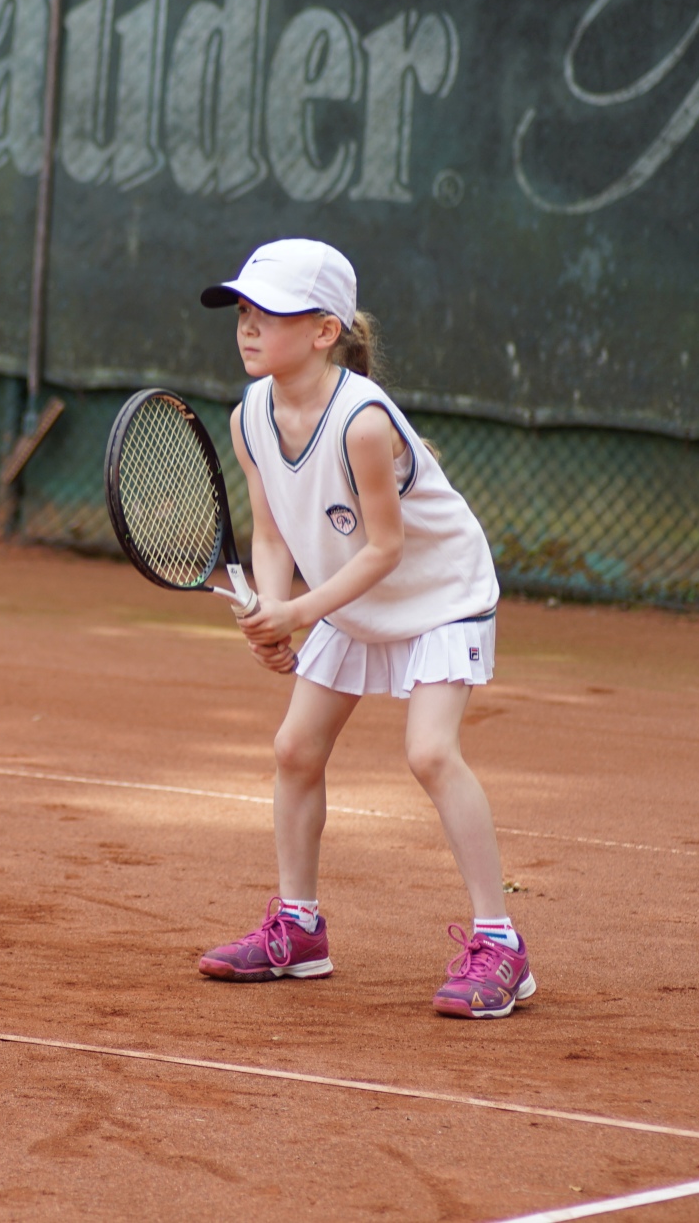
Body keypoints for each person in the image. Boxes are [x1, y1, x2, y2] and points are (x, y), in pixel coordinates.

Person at [195, 238, 532, 1019]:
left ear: (324, 332)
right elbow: (272, 532)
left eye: (270, 314)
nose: (248, 328)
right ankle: (299, 928)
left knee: (430, 752)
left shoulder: (362, 423)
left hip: (439, 595)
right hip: (351, 598)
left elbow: (387, 549)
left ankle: (502, 943)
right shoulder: (250, 416)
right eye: (242, 312)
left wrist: (300, 612)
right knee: (295, 748)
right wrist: (271, 608)